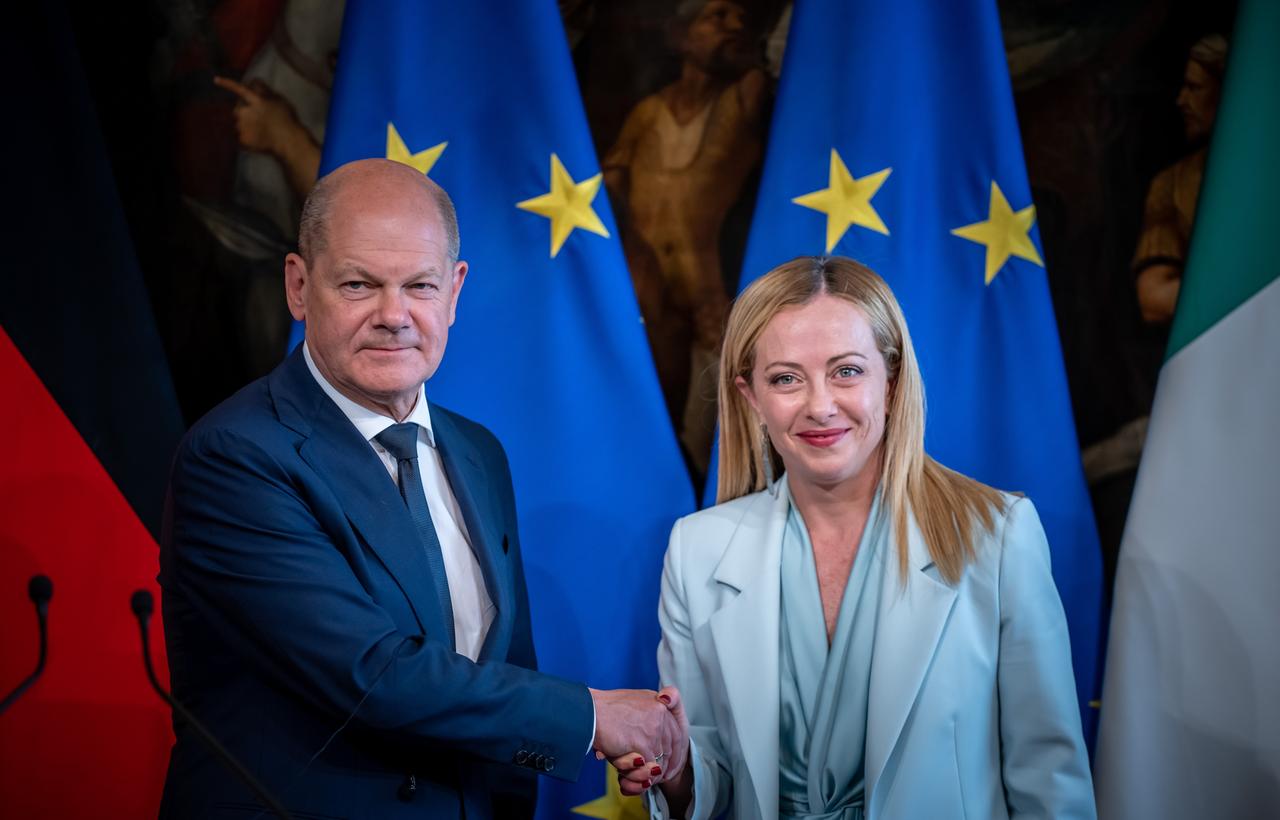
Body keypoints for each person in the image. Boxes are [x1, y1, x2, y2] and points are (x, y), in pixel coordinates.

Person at [159, 158, 681, 819]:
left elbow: (505, 669)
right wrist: (592, 716)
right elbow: (370, 674)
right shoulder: (234, 457)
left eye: (420, 286)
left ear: (455, 291)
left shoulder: (479, 453)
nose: (394, 315)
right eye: (358, 284)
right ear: (298, 285)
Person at [624, 257, 1095, 818]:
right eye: (785, 379)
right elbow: (716, 778)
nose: (820, 405)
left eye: (846, 371)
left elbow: (1049, 782)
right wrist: (676, 772)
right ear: (752, 398)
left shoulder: (996, 535)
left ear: (891, 382)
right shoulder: (696, 551)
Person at [603, 0, 769, 476]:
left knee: (703, 443)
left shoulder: (744, 96)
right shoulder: (647, 114)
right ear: (680, 36)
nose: (735, 23)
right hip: (647, 301)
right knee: (641, 428)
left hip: (710, 299)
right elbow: (609, 193)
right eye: (717, 16)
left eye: (741, 17)